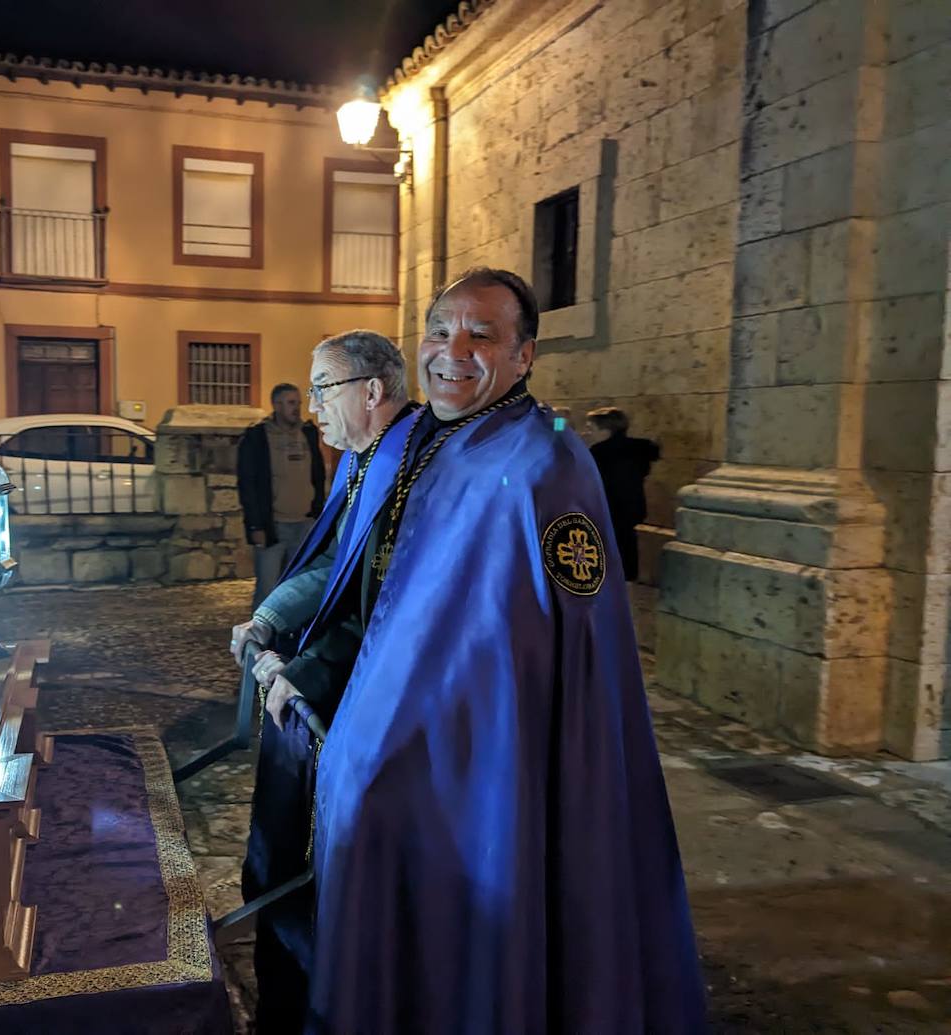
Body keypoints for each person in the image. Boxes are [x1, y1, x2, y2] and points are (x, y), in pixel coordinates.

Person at [264, 268, 704, 1033]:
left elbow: (551, 646)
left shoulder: (544, 466)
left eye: (481, 335)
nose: (451, 351)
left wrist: (431, 735)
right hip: (408, 732)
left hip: (492, 750)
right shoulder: (439, 444)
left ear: (525, 354)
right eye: (439, 330)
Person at [229, 331, 417, 1035]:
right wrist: (269, 619)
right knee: (277, 841)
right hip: (326, 685)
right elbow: (332, 566)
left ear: (371, 392)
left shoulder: (408, 471)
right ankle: (283, 973)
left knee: (338, 866)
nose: (312, 407)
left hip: (379, 705)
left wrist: (299, 676)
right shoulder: (364, 461)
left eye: (322, 388)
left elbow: (378, 614)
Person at [237, 383, 326, 609]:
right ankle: (259, 641)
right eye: (291, 403)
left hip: (305, 525)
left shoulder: (307, 432)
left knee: (300, 588)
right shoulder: (257, 436)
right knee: (267, 591)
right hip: (273, 527)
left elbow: (318, 473)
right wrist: (255, 526)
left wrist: (318, 512)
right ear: (276, 405)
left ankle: (291, 642)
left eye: (299, 402)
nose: (297, 408)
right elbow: (248, 484)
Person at [586, 405, 660, 582]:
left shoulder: (599, 453)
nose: (588, 433)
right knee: (626, 545)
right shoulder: (640, 448)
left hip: (608, 509)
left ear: (605, 430)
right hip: (632, 507)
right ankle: (627, 579)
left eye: (591, 428)